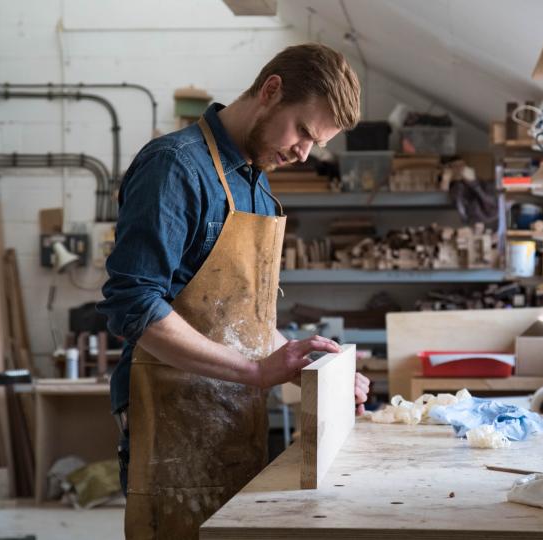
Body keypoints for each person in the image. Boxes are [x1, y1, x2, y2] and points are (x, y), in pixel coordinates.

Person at [97, 43, 371, 539]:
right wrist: (256, 370)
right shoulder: (175, 166)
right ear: (270, 91)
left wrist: (305, 367)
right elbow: (132, 305)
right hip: (168, 410)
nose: (303, 153)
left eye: (316, 144)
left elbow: (242, 322)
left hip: (233, 408)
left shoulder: (257, 186)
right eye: (304, 132)